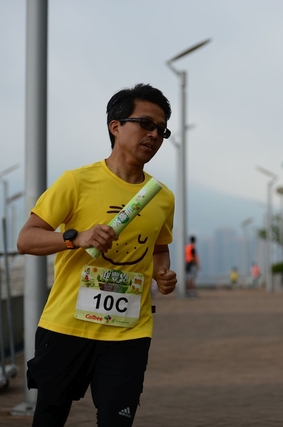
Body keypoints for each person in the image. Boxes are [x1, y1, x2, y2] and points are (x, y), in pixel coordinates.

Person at [17, 83, 177, 427]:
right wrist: (75, 238)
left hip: (129, 331)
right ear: (115, 126)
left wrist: (163, 273)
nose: (154, 135)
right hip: (67, 326)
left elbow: (159, 248)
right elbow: (26, 239)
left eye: (162, 130)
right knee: (49, 419)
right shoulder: (77, 181)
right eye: (145, 124)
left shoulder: (162, 197)